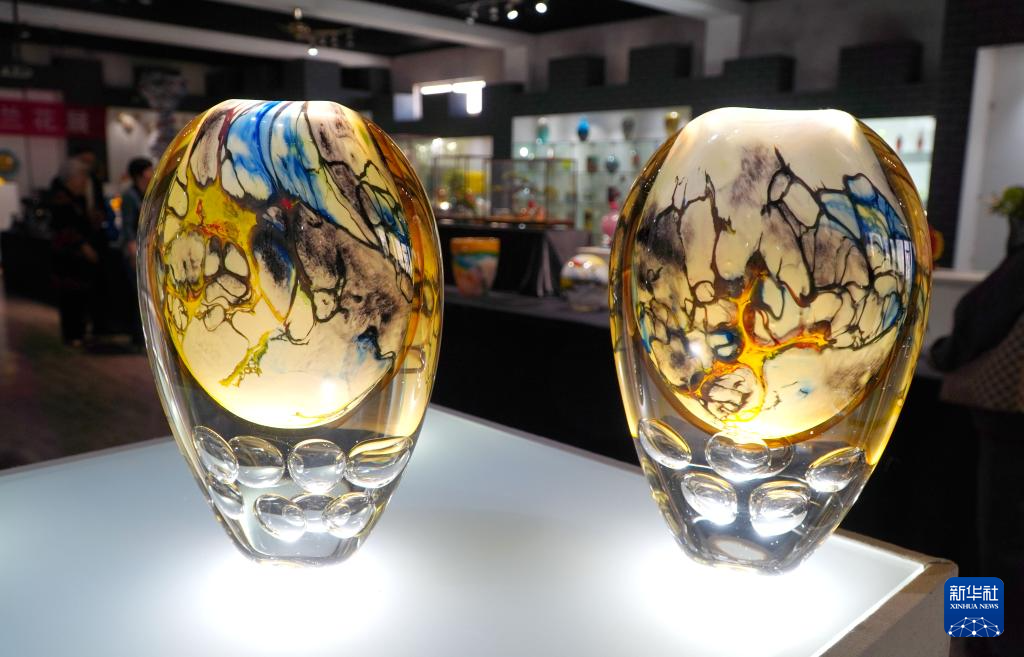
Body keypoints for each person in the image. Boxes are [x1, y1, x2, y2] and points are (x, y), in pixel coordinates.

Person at [932, 222, 1024, 657]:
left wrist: (942, 353)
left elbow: (978, 317)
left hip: (1007, 423)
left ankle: (983, 643)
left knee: (989, 543)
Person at [48, 158, 100, 346]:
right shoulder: (62, 199)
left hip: (75, 259)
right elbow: (64, 229)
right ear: (72, 178)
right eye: (82, 178)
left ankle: (79, 332)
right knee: (70, 298)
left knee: (79, 297)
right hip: (67, 260)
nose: (85, 182)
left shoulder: (77, 199)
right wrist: (83, 246)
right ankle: (72, 335)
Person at [120, 157, 153, 346]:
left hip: (147, 251)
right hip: (136, 253)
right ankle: (138, 339)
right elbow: (127, 228)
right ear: (140, 174)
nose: (152, 173)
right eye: (149, 170)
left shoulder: (146, 193)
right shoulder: (129, 196)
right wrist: (133, 252)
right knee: (139, 296)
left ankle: (144, 339)